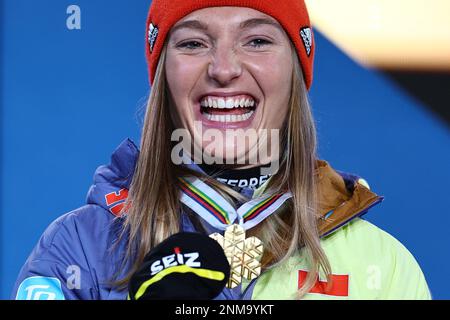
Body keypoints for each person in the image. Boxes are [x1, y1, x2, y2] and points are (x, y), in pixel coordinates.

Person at [12, 0, 431, 300]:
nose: (224, 68)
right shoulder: (79, 248)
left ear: (295, 72)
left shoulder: (382, 263)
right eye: (194, 43)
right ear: (164, 79)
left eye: (257, 41)